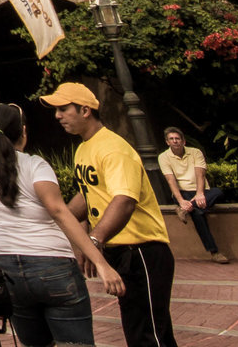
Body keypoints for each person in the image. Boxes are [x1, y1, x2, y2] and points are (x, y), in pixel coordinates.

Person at [0, 103, 124, 347]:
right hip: (52, 263)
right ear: (23, 131)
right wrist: (101, 264)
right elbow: (60, 212)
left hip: (8, 268)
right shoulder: (35, 166)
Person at [47, 82, 175, 347]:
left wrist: (93, 241)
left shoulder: (114, 148)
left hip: (142, 250)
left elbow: (124, 200)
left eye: (63, 109)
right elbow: (89, 194)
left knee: (151, 334)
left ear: (85, 110)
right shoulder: (84, 148)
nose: (57, 116)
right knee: (139, 331)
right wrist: (59, 219)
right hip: (119, 251)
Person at [156, 129, 228, 264]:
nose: (175, 141)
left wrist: (199, 194)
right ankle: (214, 252)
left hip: (200, 190)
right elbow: (171, 181)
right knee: (198, 213)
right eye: (171, 139)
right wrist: (181, 201)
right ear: (167, 142)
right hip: (182, 192)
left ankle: (184, 210)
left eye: (177, 138)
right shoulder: (163, 157)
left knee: (218, 193)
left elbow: (200, 174)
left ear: (183, 141)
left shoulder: (195, 152)